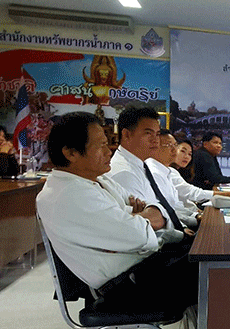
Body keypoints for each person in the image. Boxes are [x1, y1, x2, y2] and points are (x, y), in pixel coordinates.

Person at [36, 112, 196, 310]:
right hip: (128, 285)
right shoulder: (69, 194)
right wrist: (135, 217)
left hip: (146, 265)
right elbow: (139, 234)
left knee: (208, 253)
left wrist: (133, 217)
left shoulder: (98, 180)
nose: (108, 152)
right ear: (71, 153)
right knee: (216, 267)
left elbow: (149, 212)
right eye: (101, 146)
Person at [107, 106, 187, 243]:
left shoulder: (141, 165)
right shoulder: (124, 173)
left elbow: (158, 210)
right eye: (148, 133)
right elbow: (144, 226)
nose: (156, 140)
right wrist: (180, 234)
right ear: (126, 134)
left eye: (157, 134)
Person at [145, 130, 203, 229]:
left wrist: (195, 215)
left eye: (175, 145)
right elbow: (166, 210)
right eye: (168, 145)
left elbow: (176, 205)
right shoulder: (154, 173)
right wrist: (193, 220)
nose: (174, 150)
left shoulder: (167, 171)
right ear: (154, 147)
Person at [169, 138, 230, 209]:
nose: (186, 156)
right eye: (182, 151)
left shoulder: (179, 171)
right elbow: (214, 179)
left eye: (189, 154)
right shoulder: (170, 173)